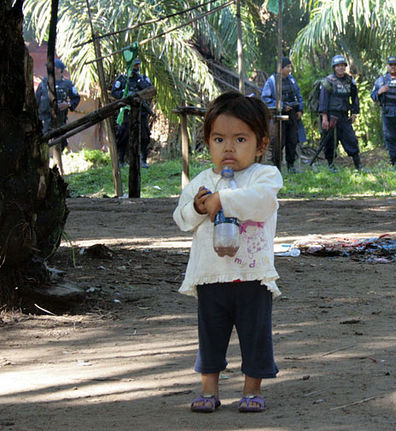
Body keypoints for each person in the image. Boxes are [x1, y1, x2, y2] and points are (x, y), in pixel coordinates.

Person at [173, 92, 283, 413]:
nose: (229, 148)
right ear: (208, 142)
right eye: (219, 139)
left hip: (252, 276)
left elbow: (262, 203)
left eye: (240, 139)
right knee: (211, 335)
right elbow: (181, 219)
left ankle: (252, 389)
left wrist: (223, 200)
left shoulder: (265, 176)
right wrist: (196, 206)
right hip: (210, 276)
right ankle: (209, 389)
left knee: (255, 335)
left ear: (260, 145)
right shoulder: (202, 182)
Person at [261, 56, 306, 173]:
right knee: (278, 142)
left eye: (290, 66)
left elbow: (298, 95)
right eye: (287, 67)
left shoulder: (291, 79)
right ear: (281, 68)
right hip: (279, 117)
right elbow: (265, 98)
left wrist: (300, 109)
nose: (290, 69)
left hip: (292, 116)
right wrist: (280, 105)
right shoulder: (272, 81)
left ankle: (291, 165)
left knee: (292, 140)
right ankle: (276, 166)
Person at [318, 54, 362, 171]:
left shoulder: (349, 80)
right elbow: (323, 101)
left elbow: (354, 97)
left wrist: (354, 112)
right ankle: (331, 165)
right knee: (330, 142)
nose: (340, 68)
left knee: (351, 139)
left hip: (344, 116)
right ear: (334, 67)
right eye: (338, 66)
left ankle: (358, 165)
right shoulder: (328, 81)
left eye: (342, 66)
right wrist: (324, 118)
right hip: (331, 116)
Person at [370, 55, 396, 167]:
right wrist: (379, 91)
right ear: (387, 66)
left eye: (395, 65)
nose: (393, 67)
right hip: (388, 113)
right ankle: (393, 163)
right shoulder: (381, 80)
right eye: (391, 65)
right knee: (390, 139)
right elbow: (373, 96)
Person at [112, 58, 154, 168]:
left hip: (141, 111)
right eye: (134, 65)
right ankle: (120, 160)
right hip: (126, 111)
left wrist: (139, 82)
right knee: (122, 135)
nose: (137, 67)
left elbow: (150, 90)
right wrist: (124, 93)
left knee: (144, 135)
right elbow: (114, 92)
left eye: (138, 65)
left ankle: (143, 160)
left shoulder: (143, 78)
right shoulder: (122, 79)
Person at [35, 59, 81, 148]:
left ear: (60, 69)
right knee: (42, 142)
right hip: (44, 119)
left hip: (60, 119)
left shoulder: (67, 84)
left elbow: (76, 98)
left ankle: (58, 158)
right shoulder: (44, 82)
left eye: (54, 67)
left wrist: (68, 104)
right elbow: (36, 100)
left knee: (60, 143)